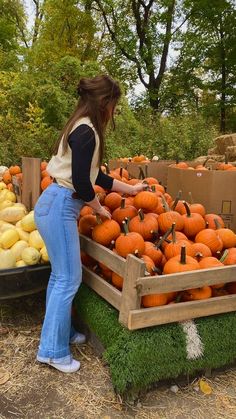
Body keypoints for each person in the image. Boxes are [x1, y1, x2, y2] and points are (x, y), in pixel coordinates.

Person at [34, 74, 146, 373]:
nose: (114, 112)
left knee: (60, 277)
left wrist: (130, 190)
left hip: (54, 202)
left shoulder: (80, 126)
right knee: (68, 279)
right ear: (104, 102)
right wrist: (98, 207)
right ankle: (53, 352)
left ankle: (62, 335)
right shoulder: (87, 132)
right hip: (60, 206)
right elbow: (83, 183)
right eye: (114, 105)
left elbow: (97, 177)